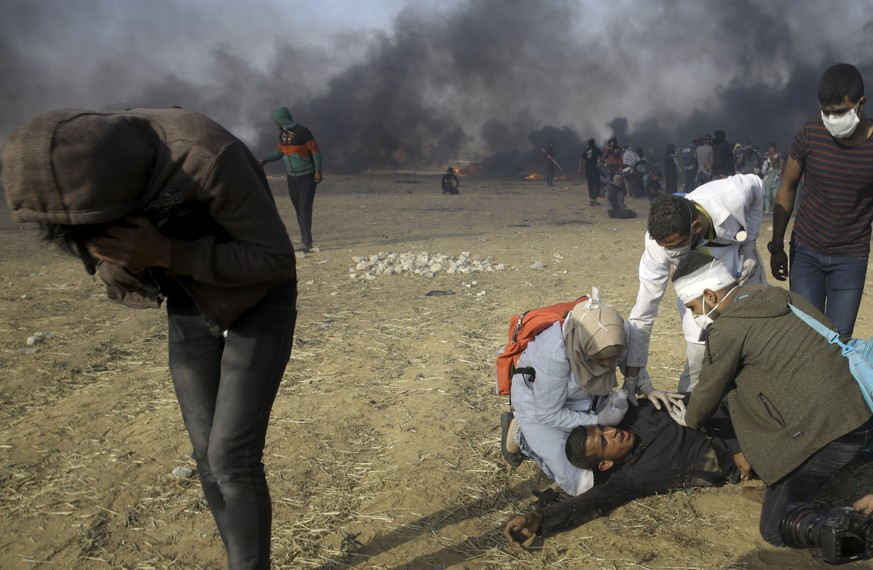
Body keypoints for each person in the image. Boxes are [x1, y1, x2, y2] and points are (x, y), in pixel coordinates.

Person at [2, 108, 298, 569]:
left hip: (260, 299)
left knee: (231, 457)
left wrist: (166, 251)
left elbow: (275, 259)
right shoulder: (82, 178)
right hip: (191, 303)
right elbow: (103, 259)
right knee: (205, 452)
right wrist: (116, 264)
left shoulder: (205, 156)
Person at [669, 251, 873, 547]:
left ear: (709, 295)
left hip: (829, 434)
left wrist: (689, 419)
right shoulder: (782, 298)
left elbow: (708, 393)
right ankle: (791, 486)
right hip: (859, 413)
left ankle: (845, 531)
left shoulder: (727, 329)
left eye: (692, 307)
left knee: (776, 529)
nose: (694, 315)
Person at [500, 296, 680, 496]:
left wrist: (644, 385)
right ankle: (520, 433)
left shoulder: (613, 330)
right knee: (578, 480)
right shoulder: (553, 352)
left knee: (613, 437)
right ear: (583, 348)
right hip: (539, 405)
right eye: (601, 359)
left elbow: (626, 357)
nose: (607, 366)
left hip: (585, 396)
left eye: (612, 359)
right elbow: (549, 414)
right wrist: (598, 420)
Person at [503, 397, 744, 546]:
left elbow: (700, 400)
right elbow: (593, 501)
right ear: (605, 464)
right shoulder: (632, 478)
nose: (612, 432)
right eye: (605, 442)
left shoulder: (635, 413)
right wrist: (540, 518)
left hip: (734, 415)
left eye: (603, 429)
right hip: (736, 455)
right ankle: (519, 438)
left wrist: (736, 445)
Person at [623, 174, 765, 394]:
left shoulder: (730, 195)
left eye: (676, 245)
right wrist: (633, 373)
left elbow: (758, 186)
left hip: (740, 269)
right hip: (697, 297)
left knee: (752, 350)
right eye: (666, 247)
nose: (671, 252)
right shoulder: (657, 244)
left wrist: (750, 243)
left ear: (696, 226)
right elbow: (645, 309)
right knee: (699, 360)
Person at [769, 63, 873, 337]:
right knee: (806, 334)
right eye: (826, 112)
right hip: (805, 253)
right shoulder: (809, 135)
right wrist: (777, 244)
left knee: (839, 339)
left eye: (839, 112)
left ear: (860, 104)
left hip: (850, 257)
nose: (831, 118)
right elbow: (787, 188)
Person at [259, 106, 323, 253]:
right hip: (291, 177)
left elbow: (315, 151)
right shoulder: (282, 134)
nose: (276, 124)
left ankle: (307, 242)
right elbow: (280, 152)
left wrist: (318, 170)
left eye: (277, 121)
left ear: (282, 120)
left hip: (307, 175)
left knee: (304, 208)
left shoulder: (303, 132)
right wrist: (267, 160)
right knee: (298, 209)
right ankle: (304, 238)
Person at [760, 143, 783, 215]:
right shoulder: (766, 162)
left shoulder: (779, 160)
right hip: (768, 180)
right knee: (767, 195)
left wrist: (779, 173)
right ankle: (767, 209)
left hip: (775, 180)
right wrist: (767, 169)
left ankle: (773, 209)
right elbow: (763, 172)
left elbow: (781, 170)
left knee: (775, 196)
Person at [580, 138, 603, 206]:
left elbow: (581, 160)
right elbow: (603, 156)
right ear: (594, 142)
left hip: (587, 169)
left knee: (590, 184)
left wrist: (580, 169)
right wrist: (601, 164)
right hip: (594, 169)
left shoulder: (586, 150)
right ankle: (593, 198)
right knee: (598, 183)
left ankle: (592, 199)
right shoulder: (596, 149)